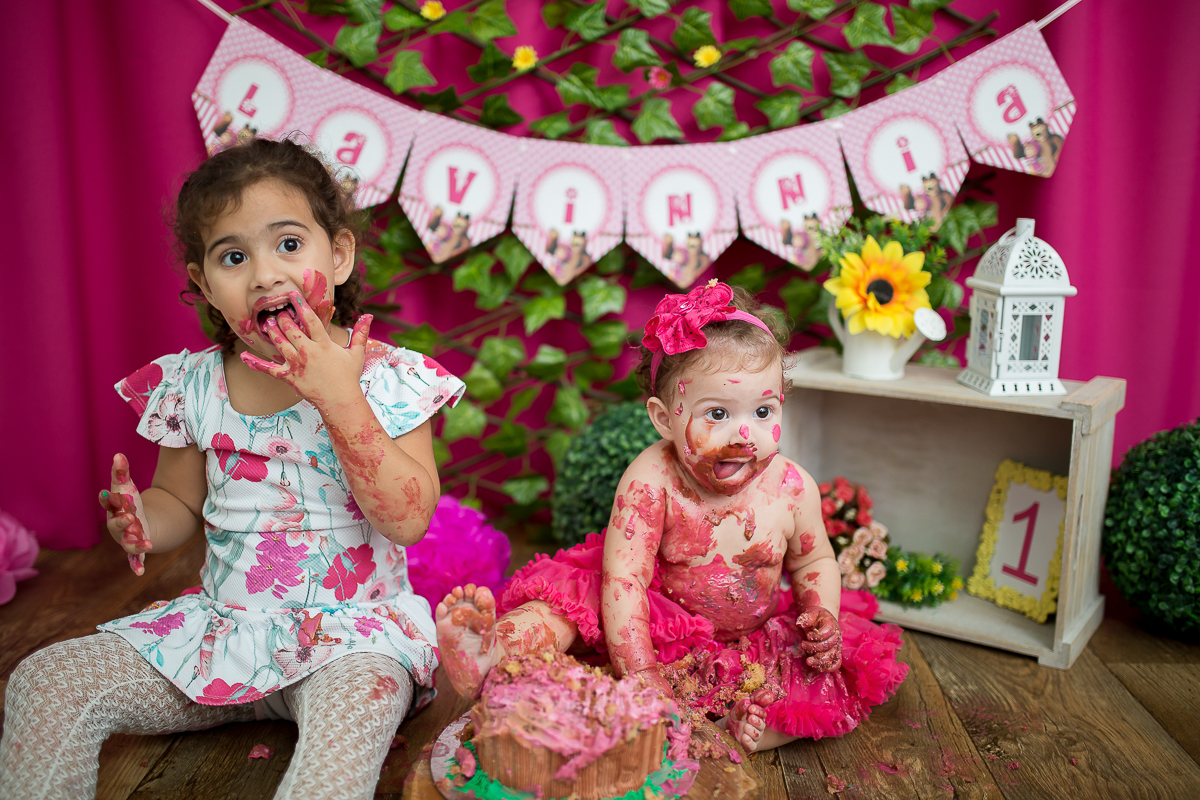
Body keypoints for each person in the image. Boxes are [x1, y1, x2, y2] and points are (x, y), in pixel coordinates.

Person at [0, 138, 464, 800]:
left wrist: (340, 397)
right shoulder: (194, 385)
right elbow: (178, 503)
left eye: (289, 244)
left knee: (351, 724)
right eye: (234, 257)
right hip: (222, 638)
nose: (265, 275)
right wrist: (143, 520)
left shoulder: (390, 378)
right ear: (204, 287)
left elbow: (408, 519)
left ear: (339, 255)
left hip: (353, 641)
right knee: (44, 680)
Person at [435, 281, 907, 754]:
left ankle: (752, 729)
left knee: (822, 672)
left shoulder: (792, 488)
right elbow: (625, 580)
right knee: (568, 604)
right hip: (648, 627)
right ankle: (495, 651)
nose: (745, 434)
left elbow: (813, 561)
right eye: (717, 414)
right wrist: (641, 671)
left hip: (750, 641)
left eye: (764, 411)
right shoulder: (652, 481)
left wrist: (821, 614)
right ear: (665, 419)